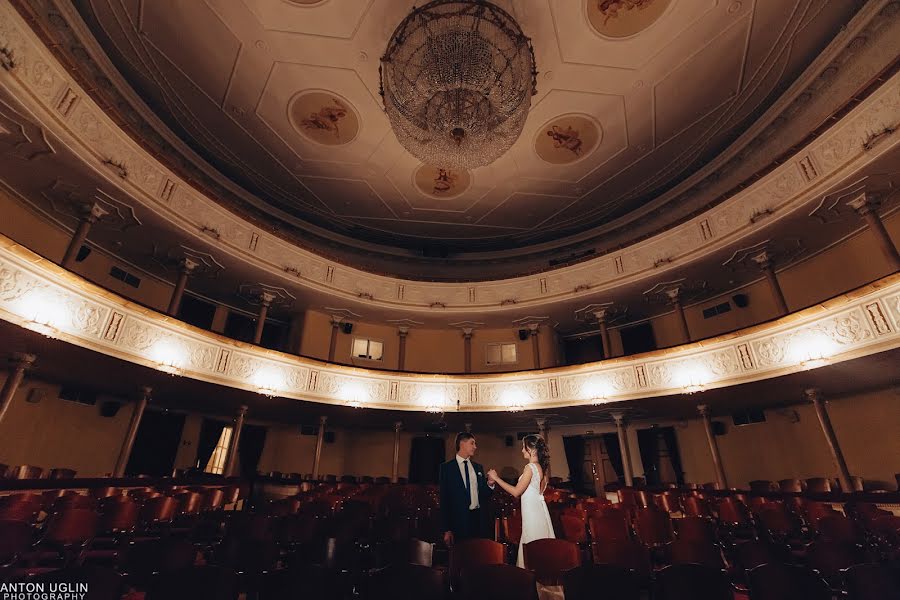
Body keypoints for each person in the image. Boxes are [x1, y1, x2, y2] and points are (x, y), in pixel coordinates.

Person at [487, 434, 555, 568]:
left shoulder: (530, 467)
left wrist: (496, 478)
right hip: (538, 513)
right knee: (538, 546)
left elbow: (516, 492)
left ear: (532, 450)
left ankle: (531, 582)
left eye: (524, 447)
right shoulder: (542, 469)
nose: (522, 450)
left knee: (532, 546)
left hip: (533, 516)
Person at [439, 432, 495, 546]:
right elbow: (444, 499)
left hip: (478, 520)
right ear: (462, 444)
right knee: (460, 558)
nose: (475, 447)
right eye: (472, 443)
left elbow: (484, 494)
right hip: (458, 522)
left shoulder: (478, 467)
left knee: (477, 556)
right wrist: (446, 529)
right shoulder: (446, 468)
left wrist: (490, 484)